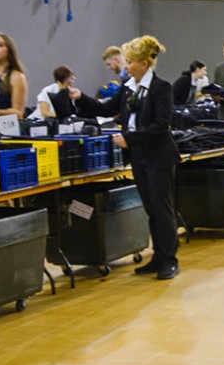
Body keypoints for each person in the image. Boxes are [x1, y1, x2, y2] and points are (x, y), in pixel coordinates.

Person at [73, 36, 182, 281]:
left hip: (159, 156)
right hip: (139, 156)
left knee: (162, 210)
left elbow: (161, 125)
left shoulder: (161, 87)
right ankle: (158, 256)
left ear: (144, 64)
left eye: (131, 62)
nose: (127, 66)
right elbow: (106, 109)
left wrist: (129, 138)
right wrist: (81, 97)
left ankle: (169, 259)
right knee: (151, 209)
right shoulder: (128, 87)